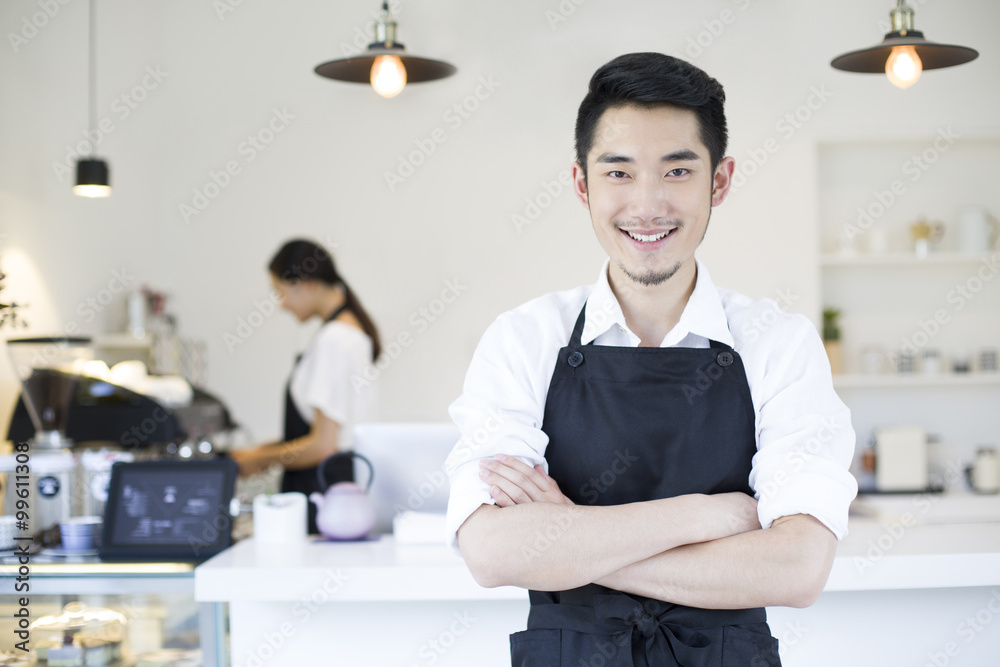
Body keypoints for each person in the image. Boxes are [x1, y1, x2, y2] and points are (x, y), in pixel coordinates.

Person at [444, 53, 858, 666]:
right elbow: (492, 553)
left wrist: (570, 532)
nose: (647, 205)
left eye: (676, 171)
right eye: (618, 173)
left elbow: (797, 568)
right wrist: (702, 516)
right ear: (582, 184)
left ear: (719, 181)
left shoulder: (778, 343)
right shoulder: (524, 339)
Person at [231, 239, 381, 534]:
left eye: (281, 293)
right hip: (342, 491)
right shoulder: (347, 333)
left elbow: (323, 445)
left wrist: (259, 461)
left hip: (326, 495)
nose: (282, 305)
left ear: (306, 284)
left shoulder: (335, 341)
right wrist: (263, 449)